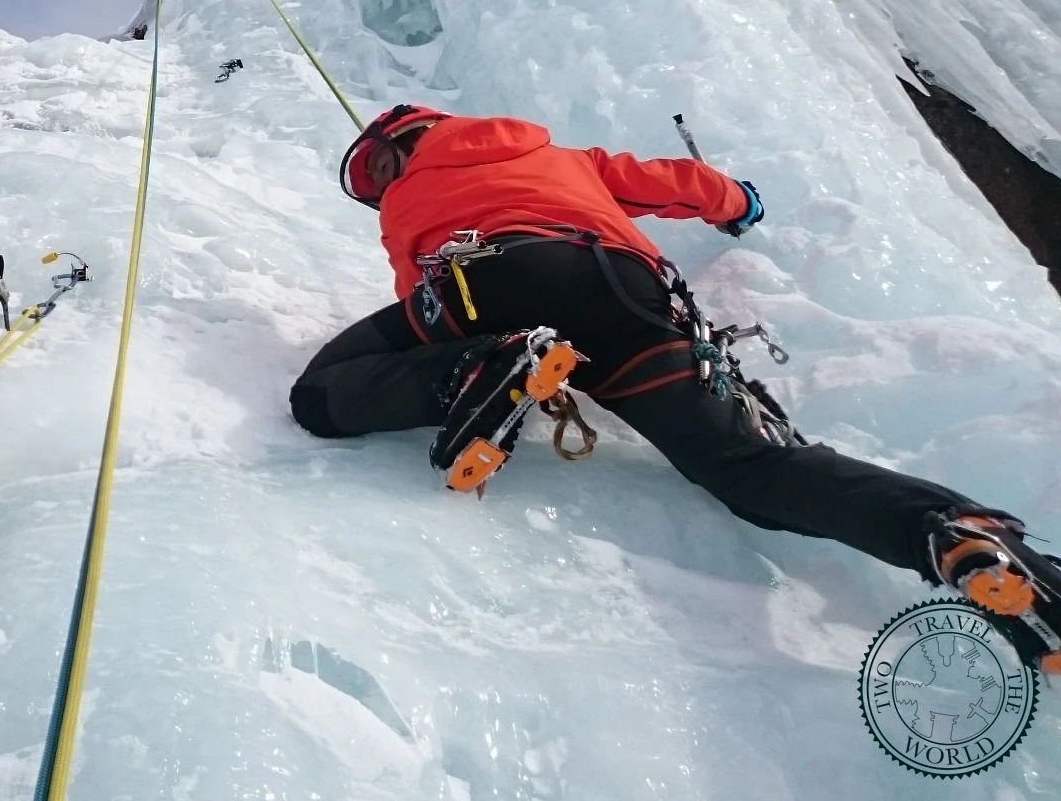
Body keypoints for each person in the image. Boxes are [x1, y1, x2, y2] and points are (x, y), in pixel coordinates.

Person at [292, 103, 1061, 673]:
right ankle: (954, 535)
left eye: (378, 167)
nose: (381, 184)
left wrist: (464, 354)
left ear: (406, 141)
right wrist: (739, 202)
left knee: (321, 393)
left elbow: (415, 290)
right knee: (748, 471)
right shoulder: (562, 155)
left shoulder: (404, 200)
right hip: (630, 296)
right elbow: (671, 183)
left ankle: (488, 366)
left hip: (487, 280)